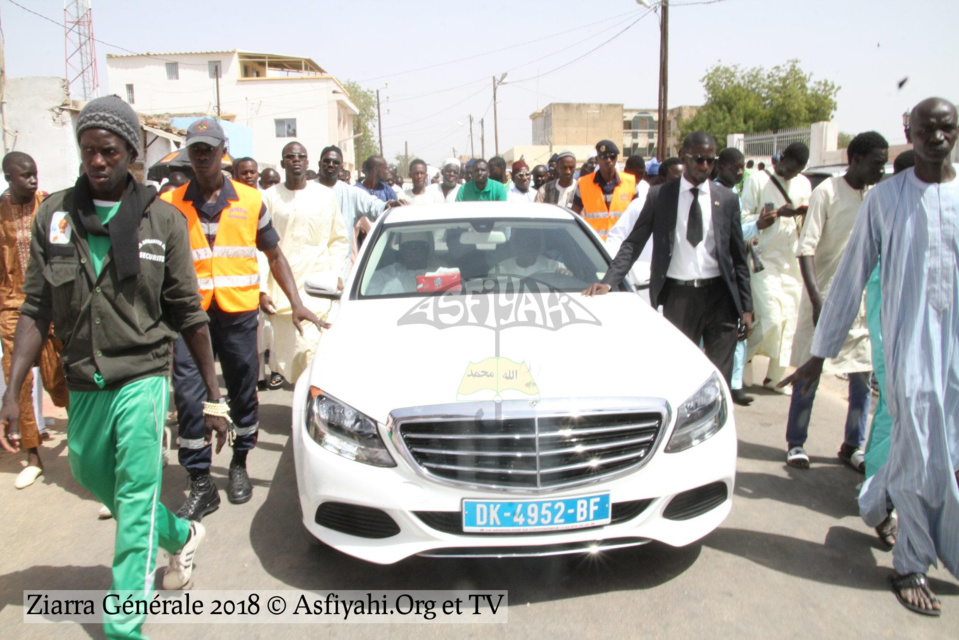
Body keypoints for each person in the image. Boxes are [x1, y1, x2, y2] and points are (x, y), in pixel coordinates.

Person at [0, 96, 229, 638]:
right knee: (86, 472)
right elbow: (35, 307)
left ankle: (124, 623)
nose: (97, 162)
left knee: (132, 500)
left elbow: (190, 315)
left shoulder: (163, 221)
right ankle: (180, 535)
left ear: (130, 154)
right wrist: (12, 391)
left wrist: (212, 395)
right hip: (84, 378)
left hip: (144, 376)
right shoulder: (55, 217)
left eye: (108, 152)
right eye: (88, 151)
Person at [782, 97, 959, 617]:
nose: (936, 136)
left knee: (945, 449)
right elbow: (852, 278)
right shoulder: (885, 200)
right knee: (918, 448)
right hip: (908, 349)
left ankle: (874, 503)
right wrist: (820, 352)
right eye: (926, 128)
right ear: (913, 132)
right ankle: (911, 562)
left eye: (945, 127)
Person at [161, 117, 322, 519]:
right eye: (194, 149)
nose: (201, 156)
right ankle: (199, 481)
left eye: (208, 149)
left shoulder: (251, 201)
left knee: (242, 391)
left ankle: (238, 465)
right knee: (189, 395)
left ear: (222, 151)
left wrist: (296, 300)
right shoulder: (170, 204)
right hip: (189, 316)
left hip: (237, 313)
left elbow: (274, 254)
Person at [583, 131, 753, 387]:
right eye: (698, 159)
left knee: (720, 376)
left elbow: (738, 256)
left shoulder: (726, 199)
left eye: (710, 160)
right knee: (682, 373)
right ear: (684, 156)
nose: (705, 166)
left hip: (721, 298)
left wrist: (747, 307)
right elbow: (633, 243)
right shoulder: (660, 196)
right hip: (679, 298)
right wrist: (608, 281)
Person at [783, 132, 888, 469]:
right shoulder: (826, 193)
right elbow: (806, 248)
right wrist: (817, 300)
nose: (881, 171)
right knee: (809, 374)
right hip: (824, 300)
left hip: (862, 305)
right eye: (876, 163)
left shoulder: (878, 196)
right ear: (854, 159)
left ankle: (852, 445)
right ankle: (796, 442)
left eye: (884, 164)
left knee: (861, 375)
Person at [0, 151, 69, 488]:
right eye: (25, 175)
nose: (33, 179)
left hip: (51, 301)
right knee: (20, 379)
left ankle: (87, 443)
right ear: (9, 177)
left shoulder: (52, 206)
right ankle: (32, 455)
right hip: (12, 304)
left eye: (35, 173)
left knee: (61, 375)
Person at [261, 142, 347, 383]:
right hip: (282, 290)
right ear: (282, 163)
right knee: (291, 354)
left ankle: (310, 404)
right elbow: (260, 247)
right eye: (290, 156)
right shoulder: (268, 197)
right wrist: (262, 288)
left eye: (300, 156)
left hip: (316, 287)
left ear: (308, 163)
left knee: (310, 349)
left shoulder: (325, 196)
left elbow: (338, 239)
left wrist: (334, 275)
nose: (296, 160)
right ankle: (304, 404)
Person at [741, 142, 812, 390]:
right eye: (790, 167)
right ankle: (743, 360)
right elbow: (742, 217)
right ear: (781, 158)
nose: (792, 174)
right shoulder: (758, 181)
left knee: (788, 320)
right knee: (769, 317)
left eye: (797, 170)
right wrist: (766, 219)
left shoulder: (804, 184)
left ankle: (776, 378)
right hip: (761, 258)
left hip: (790, 259)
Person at [712, 147, 754, 406]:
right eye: (734, 168)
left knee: (736, 335)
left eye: (742, 168)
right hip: (714, 278)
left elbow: (737, 244)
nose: (739, 173)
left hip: (732, 275)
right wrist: (757, 226)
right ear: (721, 167)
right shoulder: (715, 194)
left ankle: (733, 385)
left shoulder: (734, 193)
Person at [317, 145, 393, 275]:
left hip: (341, 269)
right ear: (319, 163)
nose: (331, 165)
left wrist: (389, 205)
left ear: (341, 167)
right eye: (327, 161)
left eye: (336, 162)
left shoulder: (351, 193)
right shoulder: (307, 190)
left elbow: (376, 207)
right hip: (312, 265)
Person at [571, 140, 636, 241]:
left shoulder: (630, 182)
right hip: (595, 247)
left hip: (623, 245)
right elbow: (574, 215)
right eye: (604, 156)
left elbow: (639, 217)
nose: (608, 160)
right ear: (597, 159)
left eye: (612, 156)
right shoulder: (584, 183)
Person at [366, 231, 435, 295]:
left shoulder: (439, 271)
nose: (414, 253)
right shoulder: (391, 273)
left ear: (427, 250)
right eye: (409, 247)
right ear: (402, 251)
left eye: (419, 247)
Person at [491, 227, 569, 278]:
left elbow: (571, 283)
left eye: (533, 244)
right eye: (524, 243)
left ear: (540, 246)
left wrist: (568, 275)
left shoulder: (554, 267)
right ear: (516, 244)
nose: (529, 248)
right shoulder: (500, 270)